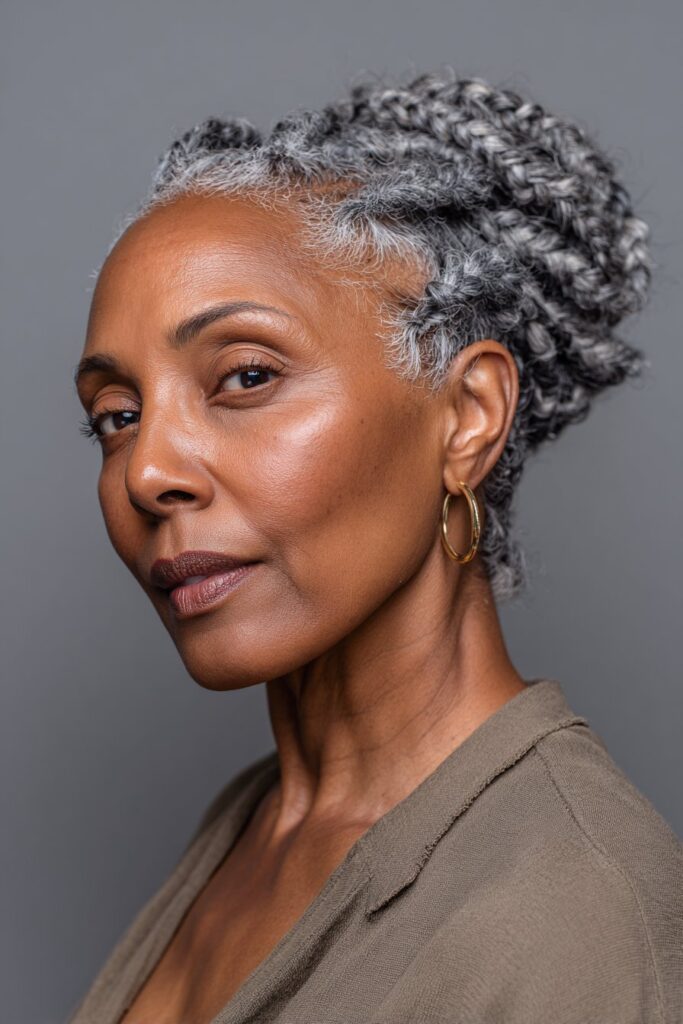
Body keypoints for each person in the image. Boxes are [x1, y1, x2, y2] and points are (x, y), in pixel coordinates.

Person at [68, 69, 682, 1024]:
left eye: (243, 376)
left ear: (466, 417)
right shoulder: (252, 825)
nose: (147, 473)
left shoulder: (569, 912)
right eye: (115, 415)